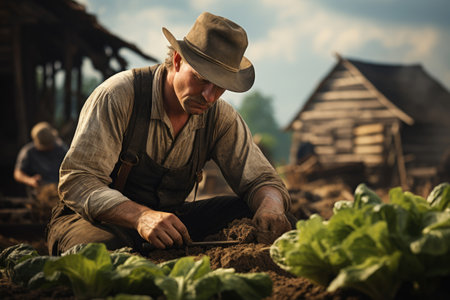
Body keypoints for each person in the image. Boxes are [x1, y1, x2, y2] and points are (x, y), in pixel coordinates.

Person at [47, 12, 294, 255]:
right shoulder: (118, 96)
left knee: (270, 220)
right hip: (98, 222)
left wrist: (270, 206)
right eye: (200, 79)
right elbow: (78, 180)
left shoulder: (220, 117)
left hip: (171, 222)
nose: (209, 96)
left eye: (220, 87)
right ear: (177, 60)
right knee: (98, 253)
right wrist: (140, 216)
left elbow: (262, 180)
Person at [14, 122, 67, 192]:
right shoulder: (28, 152)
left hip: (60, 189)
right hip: (39, 192)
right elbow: (18, 173)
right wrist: (30, 180)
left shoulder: (61, 149)